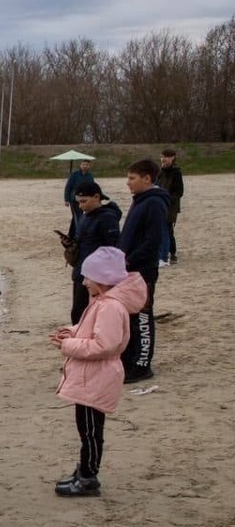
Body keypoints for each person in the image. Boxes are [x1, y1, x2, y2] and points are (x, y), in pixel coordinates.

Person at [49, 247, 148, 497]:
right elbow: (93, 332)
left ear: (103, 280)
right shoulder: (102, 302)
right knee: (85, 428)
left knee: (91, 431)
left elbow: (104, 345)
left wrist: (68, 345)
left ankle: (88, 477)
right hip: (90, 376)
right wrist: (71, 332)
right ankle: (83, 469)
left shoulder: (110, 307)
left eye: (88, 278)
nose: (84, 283)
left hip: (97, 376)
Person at [118, 159, 168, 383]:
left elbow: (152, 241)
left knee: (144, 317)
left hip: (143, 272)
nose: (128, 183)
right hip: (129, 271)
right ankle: (128, 360)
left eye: (132, 178)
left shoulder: (154, 203)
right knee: (129, 317)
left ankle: (142, 365)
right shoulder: (139, 201)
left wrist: (129, 261)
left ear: (147, 178)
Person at [66, 181, 122, 324]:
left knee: (86, 313)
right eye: (78, 202)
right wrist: (70, 244)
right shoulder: (85, 216)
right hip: (81, 271)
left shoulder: (107, 218)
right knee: (78, 312)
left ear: (97, 197)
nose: (80, 206)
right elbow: (81, 240)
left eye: (84, 201)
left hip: (96, 276)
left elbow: (113, 248)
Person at [157, 148, 184, 265]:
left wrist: (167, 197)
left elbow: (179, 192)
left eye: (166, 157)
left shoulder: (176, 172)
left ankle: (172, 253)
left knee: (168, 229)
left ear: (173, 158)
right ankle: (161, 251)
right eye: (162, 156)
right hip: (159, 203)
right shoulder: (160, 172)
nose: (163, 159)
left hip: (170, 206)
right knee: (158, 228)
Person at [63, 159, 93, 240]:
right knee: (78, 217)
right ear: (80, 165)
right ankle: (78, 236)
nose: (85, 166)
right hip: (74, 200)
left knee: (75, 217)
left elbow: (92, 187)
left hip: (85, 200)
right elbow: (68, 187)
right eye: (83, 164)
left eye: (86, 165)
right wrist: (66, 199)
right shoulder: (74, 175)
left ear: (89, 166)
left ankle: (71, 234)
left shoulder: (90, 176)